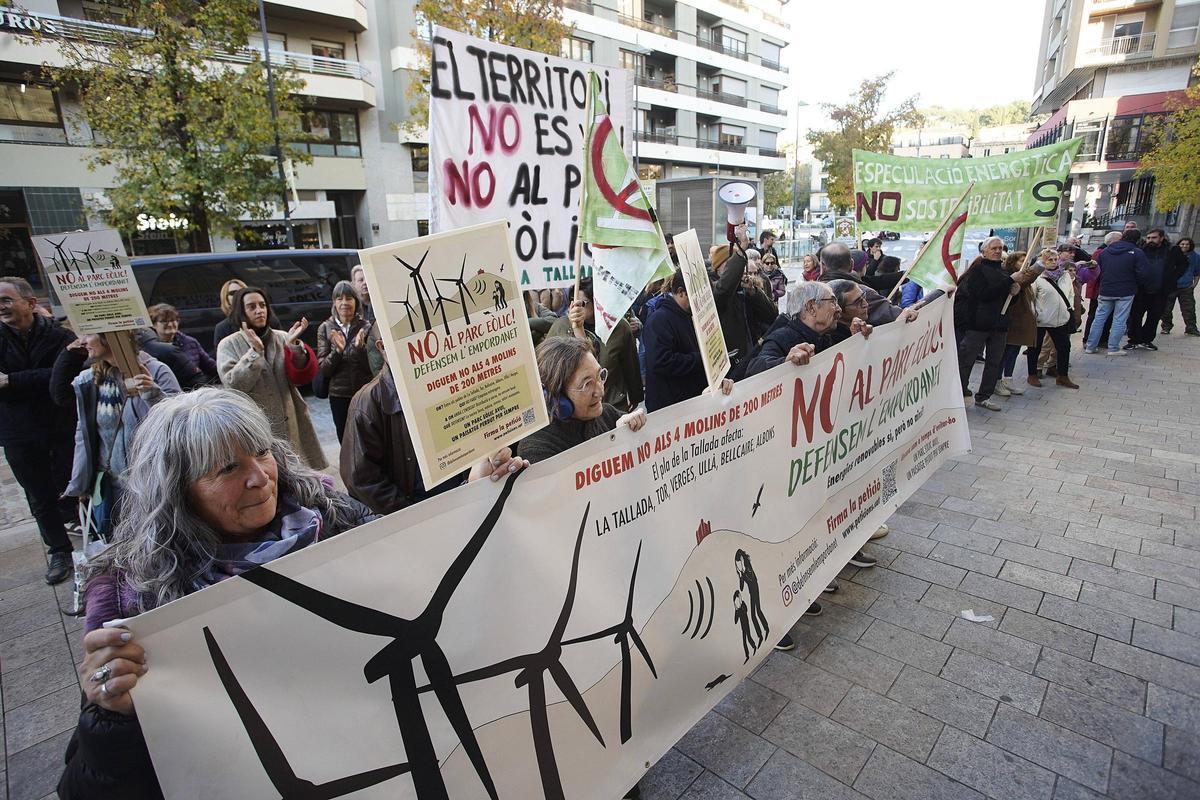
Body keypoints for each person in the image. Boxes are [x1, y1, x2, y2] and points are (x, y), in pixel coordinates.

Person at [57, 389, 381, 799]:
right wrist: (112, 716)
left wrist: (477, 503)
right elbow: (83, 790)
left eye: (262, 452)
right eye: (228, 468)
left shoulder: (339, 518)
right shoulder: (135, 600)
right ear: (177, 491)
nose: (260, 477)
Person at [62, 333, 181, 543]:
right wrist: (81, 481)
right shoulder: (90, 379)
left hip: (155, 487)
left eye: (88, 334)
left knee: (161, 544)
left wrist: (153, 393)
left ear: (110, 337)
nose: (82, 341)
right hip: (113, 487)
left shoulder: (156, 371)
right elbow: (84, 435)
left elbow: (181, 423)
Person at [0, 277, 78, 583]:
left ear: (30, 303)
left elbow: (65, 375)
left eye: (6, 300)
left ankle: (92, 536)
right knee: (38, 495)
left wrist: (13, 381)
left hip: (61, 425)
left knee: (73, 484)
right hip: (17, 432)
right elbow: (50, 376)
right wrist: (43, 379)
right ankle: (59, 550)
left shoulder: (60, 336)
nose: (1, 307)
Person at [217, 286, 326, 469]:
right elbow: (234, 386)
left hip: (291, 422)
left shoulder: (282, 337)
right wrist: (255, 353)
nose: (259, 310)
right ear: (241, 312)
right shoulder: (228, 345)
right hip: (257, 428)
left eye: (262, 305)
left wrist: (295, 348)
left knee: (298, 473)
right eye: (252, 307)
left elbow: (301, 377)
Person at [518, 336, 648, 464]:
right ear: (556, 396)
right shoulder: (537, 447)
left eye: (599, 376)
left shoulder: (609, 415)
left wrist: (634, 432)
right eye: (587, 384)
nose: (600, 391)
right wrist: (616, 445)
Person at [955, 237, 1039, 411]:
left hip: (999, 325)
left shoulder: (1003, 272)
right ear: (984, 251)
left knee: (994, 362)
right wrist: (1009, 282)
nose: (997, 251)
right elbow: (983, 295)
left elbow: (1005, 302)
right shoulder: (977, 271)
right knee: (966, 360)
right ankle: (958, 392)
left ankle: (984, 396)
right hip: (978, 324)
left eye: (1000, 248)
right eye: (993, 248)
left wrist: (1014, 293)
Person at [642, 270, 733, 412]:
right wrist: (702, 358)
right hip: (670, 407)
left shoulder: (688, 316)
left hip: (690, 401)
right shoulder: (659, 320)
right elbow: (661, 361)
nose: (701, 302)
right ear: (681, 292)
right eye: (697, 296)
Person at [547, 279, 644, 412]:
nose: (576, 306)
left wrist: (635, 395)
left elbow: (630, 366)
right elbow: (549, 371)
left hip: (611, 404)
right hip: (575, 408)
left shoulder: (618, 327)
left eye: (583, 303)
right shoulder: (560, 327)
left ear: (597, 301)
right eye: (572, 300)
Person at [316, 281, 373, 443]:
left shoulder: (366, 327)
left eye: (349, 298)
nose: (344, 303)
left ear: (356, 301)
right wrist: (338, 351)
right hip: (339, 396)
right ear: (334, 302)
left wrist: (360, 349)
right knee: (346, 438)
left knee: (368, 436)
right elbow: (324, 369)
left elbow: (372, 367)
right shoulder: (325, 328)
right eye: (339, 298)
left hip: (364, 393)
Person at [710, 241, 778, 368]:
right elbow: (724, 289)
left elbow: (772, 315)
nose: (738, 271)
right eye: (731, 266)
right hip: (731, 361)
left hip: (752, 355)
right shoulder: (714, 291)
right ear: (719, 268)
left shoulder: (747, 290)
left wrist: (754, 292)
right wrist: (740, 253)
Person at [1085, 228, 1147, 356]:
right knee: (1120, 319)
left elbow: (1097, 270)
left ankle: (1090, 346)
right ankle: (1113, 348)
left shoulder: (1105, 251)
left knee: (1099, 318)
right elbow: (1143, 273)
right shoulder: (1137, 252)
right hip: (1126, 290)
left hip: (1106, 289)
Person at [1028, 252, 1080, 389]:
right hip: (1041, 319)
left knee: (1064, 347)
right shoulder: (1038, 277)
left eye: (1055, 259)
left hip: (1061, 319)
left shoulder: (1065, 275)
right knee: (1035, 347)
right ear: (1042, 260)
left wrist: (1069, 311)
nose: (1053, 262)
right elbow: (1032, 297)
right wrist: (1037, 313)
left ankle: (1063, 376)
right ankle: (1032, 374)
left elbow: (1070, 293)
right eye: (1049, 259)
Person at [143, 303, 217, 389]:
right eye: (164, 321)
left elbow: (210, 367)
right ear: (154, 324)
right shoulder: (151, 349)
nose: (170, 324)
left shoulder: (190, 342)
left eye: (173, 320)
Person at [1126, 228, 1170, 351]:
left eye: (1154, 237)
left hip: (1159, 291)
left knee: (1154, 317)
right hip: (1141, 290)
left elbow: (1180, 266)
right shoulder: (1140, 251)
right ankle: (1134, 339)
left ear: (1161, 238)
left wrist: (1171, 283)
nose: (1150, 240)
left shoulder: (1169, 251)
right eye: (1149, 237)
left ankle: (1147, 339)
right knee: (1135, 316)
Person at [997, 251, 1033, 398]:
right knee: (1003, 353)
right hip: (1009, 321)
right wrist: (1040, 265)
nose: (1024, 264)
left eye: (1026, 261)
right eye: (1021, 261)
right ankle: (997, 380)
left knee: (1013, 352)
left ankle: (1008, 379)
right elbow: (1026, 280)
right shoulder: (1009, 277)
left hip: (1019, 322)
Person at [1081, 231, 1121, 347]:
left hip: (1108, 289)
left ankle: (1103, 339)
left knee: (1108, 316)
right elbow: (1094, 272)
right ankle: (1088, 339)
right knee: (1094, 315)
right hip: (1098, 289)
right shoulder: (1100, 253)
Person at [1161, 237, 1199, 336]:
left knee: (1189, 309)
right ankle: (1166, 326)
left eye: (1187, 244)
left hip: (1186, 287)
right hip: (1171, 286)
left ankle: (1191, 328)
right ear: (1178, 244)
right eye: (1182, 244)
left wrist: (1194, 285)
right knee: (1166, 309)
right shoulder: (1172, 254)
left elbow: (1197, 272)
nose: (1184, 246)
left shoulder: (1195, 257)